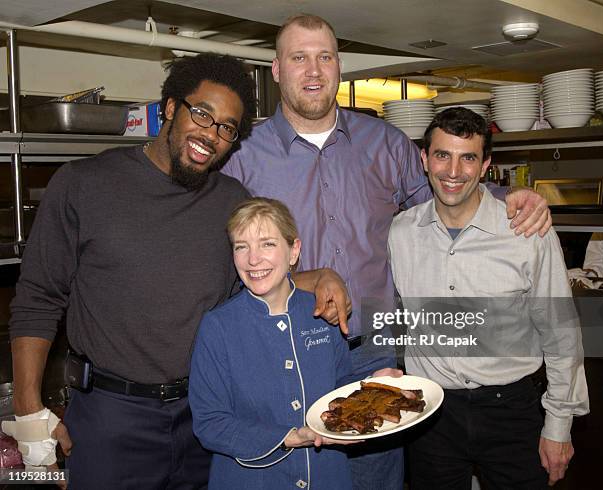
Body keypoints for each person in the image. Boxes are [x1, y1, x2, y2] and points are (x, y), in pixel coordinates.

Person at [221, 13, 553, 489]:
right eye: (299, 58)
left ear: (339, 66)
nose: (313, 71)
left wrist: (508, 196)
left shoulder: (386, 144)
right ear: (276, 70)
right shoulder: (243, 156)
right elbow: (229, 260)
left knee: (377, 481)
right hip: (288, 351)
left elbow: (448, 201)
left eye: (325, 57)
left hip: (375, 352)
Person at [6, 53, 349, 489]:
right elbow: (37, 299)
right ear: (170, 107)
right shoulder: (83, 184)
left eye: (227, 128)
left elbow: (249, 286)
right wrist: (29, 412)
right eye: (202, 114)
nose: (212, 134)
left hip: (203, 415)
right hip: (112, 416)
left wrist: (317, 277)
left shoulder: (230, 199)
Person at [387, 107, 589, 489]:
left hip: (511, 410)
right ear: (424, 159)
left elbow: (561, 334)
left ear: (485, 166)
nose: (453, 171)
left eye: (468, 158)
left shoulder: (527, 232)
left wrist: (559, 426)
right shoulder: (401, 233)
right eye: (442, 155)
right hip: (431, 414)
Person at [190, 197, 364, 489]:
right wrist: (288, 437)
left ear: (294, 251)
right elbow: (209, 423)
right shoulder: (217, 326)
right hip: (251, 479)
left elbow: (342, 386)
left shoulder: (322, 313)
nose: (253, 259)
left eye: (267, 244)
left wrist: (373, 386)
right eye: (241, 246)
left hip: (326, 476)